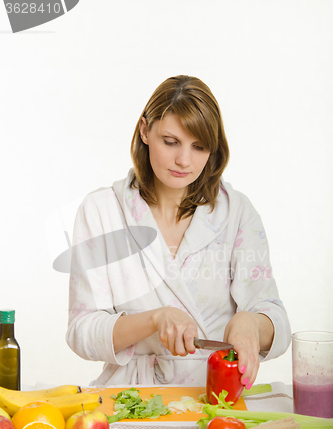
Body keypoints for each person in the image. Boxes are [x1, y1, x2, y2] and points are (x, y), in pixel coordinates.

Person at [66, 75, 291, 387]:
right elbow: (82, 331)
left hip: (218, 395)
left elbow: (277, 322)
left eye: (199, 147)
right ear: (145, 130)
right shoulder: (101, 212)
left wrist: (251, 323)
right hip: (131, 398)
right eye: (170, 142)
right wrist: (154, 319)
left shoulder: (237, 212)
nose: (184, 160)